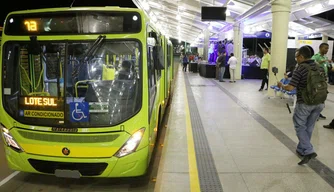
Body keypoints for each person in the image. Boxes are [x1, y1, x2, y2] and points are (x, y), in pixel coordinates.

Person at [278, 45, 327, 165]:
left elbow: (290, 87)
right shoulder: (319, 66)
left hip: (305, 103)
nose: (296, 59)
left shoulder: (300, 68)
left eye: (296, 56)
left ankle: (309, 150)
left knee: (299, 126)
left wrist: (281, 86)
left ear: (301, 56)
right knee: (309, 127)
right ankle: (301, 149)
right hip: (319, 103)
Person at [312, 43, 332, 120]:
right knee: (316, 96)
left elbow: (327, 67)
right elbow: (312, 64)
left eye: (328, 48)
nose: (327, 50)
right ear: (320, 48)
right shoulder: (316, 56)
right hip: (317, 80)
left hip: (324, 80)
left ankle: (318, 112)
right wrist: (322, 61)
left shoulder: (325, 57)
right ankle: (314, 114)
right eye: (325, 48)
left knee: (322, 97)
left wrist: (329, 66)